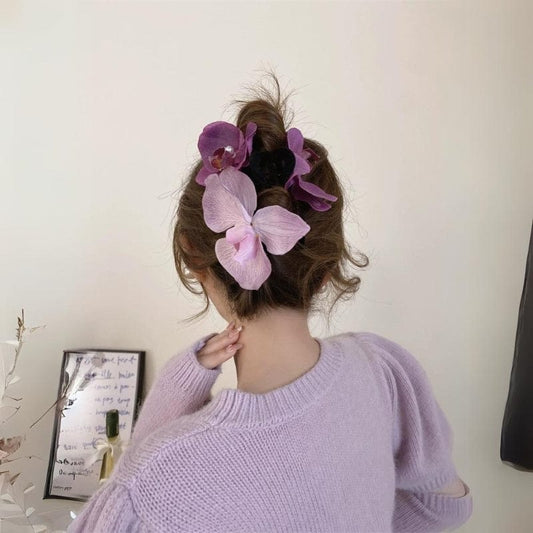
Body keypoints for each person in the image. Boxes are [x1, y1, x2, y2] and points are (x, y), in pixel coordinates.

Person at [67, 74, 473, 532]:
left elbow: (122, 509)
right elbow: (441, 506)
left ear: (194, 258)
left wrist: (173, 394)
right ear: (325, 268)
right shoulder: (381, 371)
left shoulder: (155, 485)